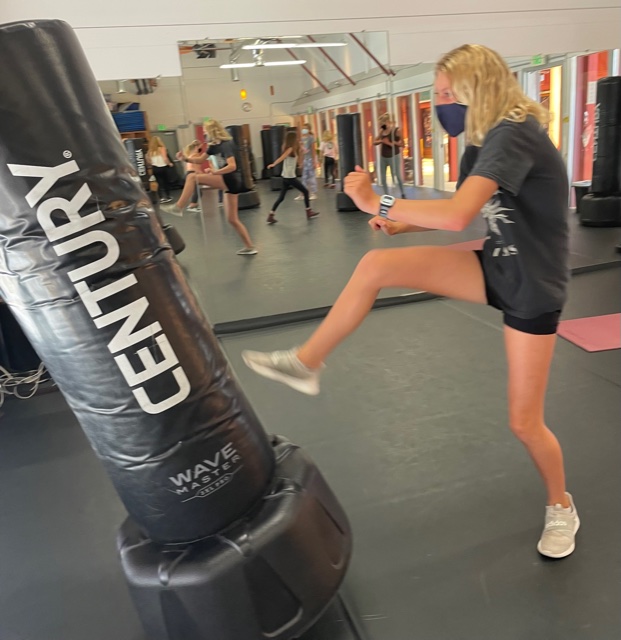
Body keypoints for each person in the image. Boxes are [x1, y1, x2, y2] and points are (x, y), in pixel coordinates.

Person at [242, 44, 579, 560]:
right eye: (437, 93)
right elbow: (464, 211)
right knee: (377, 266)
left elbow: (455, 214)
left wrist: (372, 200)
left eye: (448, 93)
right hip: (496, 264)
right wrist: (400, 220)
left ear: (478, 87)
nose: (441, 101)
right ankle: (307, 362)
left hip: (533, 285)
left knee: (524, 422)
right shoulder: (482, 141)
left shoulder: (515, 132)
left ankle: (561, 505)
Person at [166, 119, 257, 256]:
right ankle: (250, 246)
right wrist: (185, 159)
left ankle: (179, 207)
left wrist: (216, 172)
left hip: (231, 179)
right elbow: (201, 160)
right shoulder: (214, 146)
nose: (204, 134)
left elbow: (232, 166)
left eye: (205, 131)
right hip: (229, 183)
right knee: (232, 219)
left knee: (192, 177)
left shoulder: (226, 145)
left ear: (212, 131)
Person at [266, 131, 320, 224]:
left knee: (281, 197)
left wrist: (301, 153)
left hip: (286, 177)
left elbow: (301, 156)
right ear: (293, 139)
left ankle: (271, 215)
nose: (298, 139)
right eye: (296, 138)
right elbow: (282, 158)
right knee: (306, 192)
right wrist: (273, 164)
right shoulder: (289, 149)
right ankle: (308, 211)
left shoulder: (293, 149)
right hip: (290, 177)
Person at [374, 113, 406, 199]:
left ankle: (403, 193)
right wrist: (381, 141)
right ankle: (387, 195)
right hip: (383, 157)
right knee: (383, 178)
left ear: (387, 122)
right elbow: (374, 142)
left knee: (397, 175)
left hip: (393, 156)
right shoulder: (382, 131)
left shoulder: (396, 131)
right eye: (380, 124)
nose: (381, 126)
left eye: (382, 124)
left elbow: (403, 144)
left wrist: (392, 143)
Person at [146, 135, 175, 203]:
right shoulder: (162, 148)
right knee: (166, 182)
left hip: (155, 168)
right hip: (163, 168)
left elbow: (148, 160)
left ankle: (161, 197)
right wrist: (169, 163)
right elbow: (165, 158)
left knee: (158, 183)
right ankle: (167, 196)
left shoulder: (150, 151)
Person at [296, 124, 317, 201]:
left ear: (309, 129)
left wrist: (314, 161)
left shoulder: (311, 138)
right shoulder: (302, 139)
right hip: (305, 159)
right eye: (303, 128)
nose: (304, 130)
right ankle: (303, 193)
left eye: (305, 129)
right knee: (304, 177)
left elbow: (313, 150)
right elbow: (301, 151)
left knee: (311, 176)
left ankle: (313, 193)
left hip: (310, 159)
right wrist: (300, 161)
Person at [183, 140, 205, 213]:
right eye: (200, 147)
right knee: (198, 190)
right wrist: (202, 174)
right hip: (193, 172)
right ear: (196, 147)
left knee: (197, 190)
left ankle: (194, 205)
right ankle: (192, 205)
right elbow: (196, 167)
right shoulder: (196, 155)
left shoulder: (191, 154)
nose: (201, 149)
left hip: (189, 172)